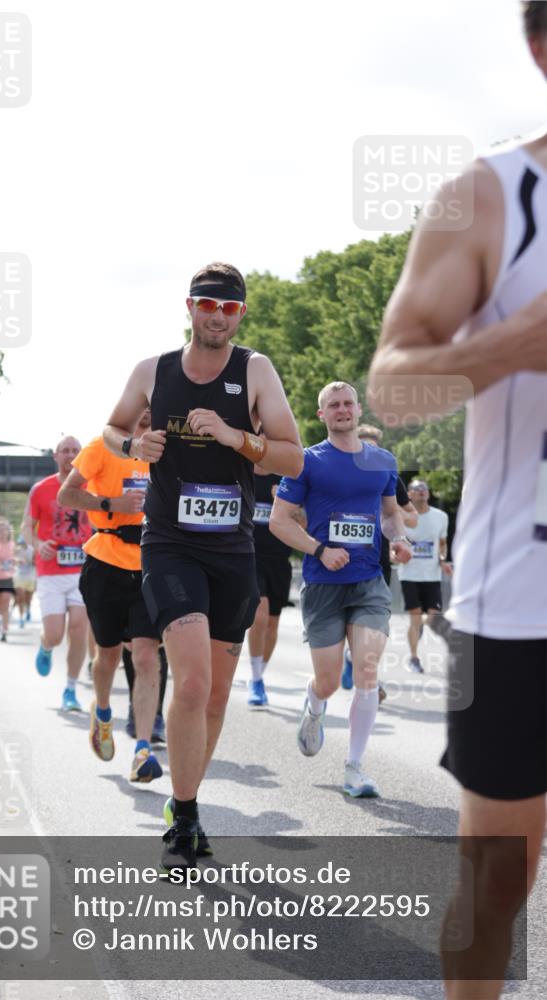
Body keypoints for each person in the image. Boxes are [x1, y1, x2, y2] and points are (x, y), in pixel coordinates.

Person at [367, 5, 546, 993]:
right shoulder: (485, 197)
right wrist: (512, 346)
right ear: (539, 48)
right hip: (521, 608)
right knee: (499, 883)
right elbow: (394, 385)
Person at [103, 261, 303, 872]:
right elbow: (111, 430)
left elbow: (292, 458)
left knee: (214, 696)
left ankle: (184, 799)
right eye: (208, 305)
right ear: (188, 307)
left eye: (230, 308)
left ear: (240, 314)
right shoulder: (153, 370)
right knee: (190, 681)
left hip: (232, 550)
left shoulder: (255, 370)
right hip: (170, 545)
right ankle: (186, 817)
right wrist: (132, 446)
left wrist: (236, 438)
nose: (218, 316)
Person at [270, 381, 412, 798]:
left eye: (348, 402)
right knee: (329, 681)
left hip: (368, 581)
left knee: (367, 671)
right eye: (333, 405)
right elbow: (278, 521)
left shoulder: (383, 461)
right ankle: (315, 706)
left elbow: (389, 516)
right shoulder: (306, 463)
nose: (342, 409)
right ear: (322, 415)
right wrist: (319, 549)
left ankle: (354, 768)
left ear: (359, 409)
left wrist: (398, 539)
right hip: (323, 585)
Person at [58, 409, 164, 783]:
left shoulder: (166, 451)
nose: (147, 412)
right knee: (108, 656)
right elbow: (67, 494)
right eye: (142, 404)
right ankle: (102, 711)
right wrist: (110, 505)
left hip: (152, 564)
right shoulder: (100, 448)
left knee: (148, 654)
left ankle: (143, 749)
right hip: (105, 561)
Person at [344, 423, 418, 695]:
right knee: (345, 624)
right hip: (339, 560)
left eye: (374, 450)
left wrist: (391, 511)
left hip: (377, 562)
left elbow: (413, 517)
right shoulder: (340, 473)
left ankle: (366, 672)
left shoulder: (387, 477)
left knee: (374, 625)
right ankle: (350, 658)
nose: (368, 456)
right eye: (363, 448)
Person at [22, 436, 92, 712]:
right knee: (55, 634)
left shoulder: (92, 486)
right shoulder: (41, 489)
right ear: (56, 456)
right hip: (50, 571)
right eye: (65, 450)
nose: (70, 455)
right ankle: (46, 646)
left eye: (75, 451)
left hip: (83, 569)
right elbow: (26, 527)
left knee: (79, 627)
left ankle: (71, 689)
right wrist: (39, 545)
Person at [246, 465, 293, 707]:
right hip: (249, 556)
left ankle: (259, 674)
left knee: (273, 622)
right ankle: (255, 680)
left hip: (279, 560)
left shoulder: (285, 479)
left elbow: (304, 521)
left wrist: (284, 504)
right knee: (260, 615)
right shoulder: (242, 473)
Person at [397, 479, 451, 673]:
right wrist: (396, 557)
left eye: (424, 488)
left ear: (428, 494)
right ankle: (414, 657)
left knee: (433, 616)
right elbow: (395, 544)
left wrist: (443, 560)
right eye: (417, 489)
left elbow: (442, 543)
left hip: (432, 575)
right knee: (415, 616)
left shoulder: (441, 517)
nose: (421, 491)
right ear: (409, 494)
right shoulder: (402, 517)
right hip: (410, 574)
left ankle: (419, 628)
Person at [13, 538, 36, 627]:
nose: (22, 545)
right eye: (21, 543)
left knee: (28, 598)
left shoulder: (32, 550)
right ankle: (21, 618)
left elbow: (36, 562)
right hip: (19, 576)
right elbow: (12, 559)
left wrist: (29, 561)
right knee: (20, 597)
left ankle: (28, 609)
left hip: (30, 576)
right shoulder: (17, 550)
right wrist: (17, 560)